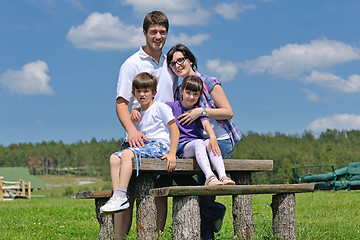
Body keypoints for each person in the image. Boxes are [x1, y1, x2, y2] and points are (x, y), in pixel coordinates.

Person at [167, 44, 242, 239]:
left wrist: (201, 111)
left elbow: (228, 111)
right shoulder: (179, 91)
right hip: (197, 144)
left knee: (204, 189)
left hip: (219, 142)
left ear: (190, 60)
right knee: (195, 186)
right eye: (173, 63)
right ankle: (214, 212)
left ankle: (212, 218)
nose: (177, 65)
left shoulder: (209, 81)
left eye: (180, 60)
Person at [114, 11, 177, 238]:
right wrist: (131, 131)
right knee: (127, 194)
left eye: (162, 32)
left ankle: (156, 236)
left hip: (163, 142)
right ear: (144, 33)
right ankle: (118, 237)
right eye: (153, 32)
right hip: (138, 139)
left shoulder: (171, 65)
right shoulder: (131, 63)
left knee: (159, 194)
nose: (158, 36)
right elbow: (121, 103)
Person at [101, 72, 179, 215]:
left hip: (160, 146)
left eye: (146, 91)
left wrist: (172, 153)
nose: (142, 94)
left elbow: (175, 129)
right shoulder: (138, 113)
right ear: (133, 93)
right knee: (114, 158)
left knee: (127, 153)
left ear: (154, 92)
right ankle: (117, 196)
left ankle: (121, 194)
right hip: (146, 146)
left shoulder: (161, 107)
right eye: (138, 91)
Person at [166, 75, 235, 186]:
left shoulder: (197, 110)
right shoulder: (172, 106)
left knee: (207, 142)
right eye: (188, 92)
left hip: (197, 147)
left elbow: (206, 125)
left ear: (199, 95)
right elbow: (153, 107)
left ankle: (223, 176)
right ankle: (210, 177)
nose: (191, 97)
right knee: (199, 142)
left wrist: (212, 137)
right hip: (181, 147)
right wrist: (136, 109)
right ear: (181, 91)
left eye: (195, 94)